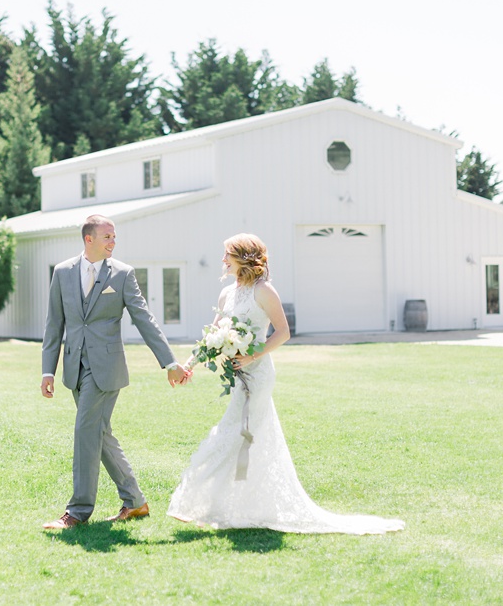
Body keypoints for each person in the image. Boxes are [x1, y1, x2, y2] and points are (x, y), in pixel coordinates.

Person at [168, 233, 405, 534]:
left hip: (258, 373)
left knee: (237, 433)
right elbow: (213, 334)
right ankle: (234, 506)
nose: (223, 260)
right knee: (248, 438)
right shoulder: (226, 294)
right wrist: (188, 365)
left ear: (243, 257)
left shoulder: (264, 291)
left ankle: (197, 503)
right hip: (237, 374)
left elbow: (283, 332)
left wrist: (254, 355)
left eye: (227, 254)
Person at [41, 215, 191, 530]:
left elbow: (144, 319)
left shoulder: (122, 275)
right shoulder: (63, 273)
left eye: (114, 237)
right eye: (107, 236)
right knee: (100, 434)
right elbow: (55, 323)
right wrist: (48, 371)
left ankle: (77, 512)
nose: (113, 242)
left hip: (106, 370)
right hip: (74, 367)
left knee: (84, 430)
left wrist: (169, 362)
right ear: (88, 239)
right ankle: (135, 502)